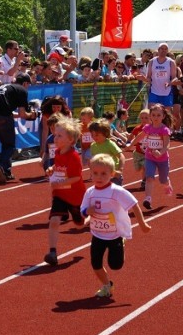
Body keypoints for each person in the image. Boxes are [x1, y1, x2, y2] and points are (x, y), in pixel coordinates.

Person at [80, 153, 151, 297]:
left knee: (115, 265)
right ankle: (107, 285)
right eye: (95, 173)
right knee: (96, 263)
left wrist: (142, 224)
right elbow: (82, 210)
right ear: (90, 173)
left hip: (115, 234)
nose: (99, 177)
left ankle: (122, 245)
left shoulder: (116, 191)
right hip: (97, 234)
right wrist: (87, 212)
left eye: (103, 174)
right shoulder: (90, 192)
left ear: (112, 174)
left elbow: (134, 205)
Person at [43, 117, 87, 266]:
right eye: (55, 135)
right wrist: (51, 169)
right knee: (54, 220)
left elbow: (76, 177)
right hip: (60, 194)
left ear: (71, 140)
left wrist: (61, 182)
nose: (55, 138)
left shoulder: (74, 157)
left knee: (79, 225)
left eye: (59, 136)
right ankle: (52, 252)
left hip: (75, 195)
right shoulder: (58, 151)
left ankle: (88, 219)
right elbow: (58, 166)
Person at [0, 73, 38, 182]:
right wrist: (33, 115)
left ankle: (6, 171)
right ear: (25, 83)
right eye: (28, 84)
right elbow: (23, 115)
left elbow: (12, 113)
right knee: (9, 145)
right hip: (2, 117)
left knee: (6, 144)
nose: (28, 87)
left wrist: (23, 115)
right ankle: (0, 166)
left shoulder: (5, 87)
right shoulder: (22, 90)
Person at [129, 103, 174, 210]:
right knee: (149, 178)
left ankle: (167, 183)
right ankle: (148, 199)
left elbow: (167, 144)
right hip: (149, 157)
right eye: (153, 115)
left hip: (162, 158)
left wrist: (161, 152)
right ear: (150, 116)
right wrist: (130, 144)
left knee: (163, 180)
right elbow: (140, 136)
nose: (156, 118)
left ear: (163, 116)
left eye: (158, 115)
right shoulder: (148, 128)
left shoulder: (164, 129)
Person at [89, 119, 125, 187]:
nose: (94, 137)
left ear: (105, 133)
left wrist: (120, 170)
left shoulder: (110, 144)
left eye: (96, 135)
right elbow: (94, 160)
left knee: (114, 194)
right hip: (101, 176)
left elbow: (121, 156)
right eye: (92, 135)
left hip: (113, 176)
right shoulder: (93, 146)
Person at [145, 42, 179, 109]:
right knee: (152, 112)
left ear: (167, 51)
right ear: (158, 50)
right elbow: (148, 77)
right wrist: (144, 79)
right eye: (162, 49)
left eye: (165, 49)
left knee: (167, 114)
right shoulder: (152, 61)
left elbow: (174, 78)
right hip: (154, 92)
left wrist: (169, 83)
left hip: (167, 92)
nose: (163, 50)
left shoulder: (171, 62)